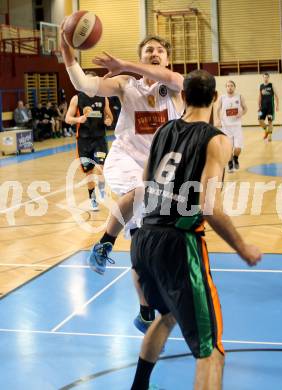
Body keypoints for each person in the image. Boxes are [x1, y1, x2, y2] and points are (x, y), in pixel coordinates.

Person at [130, 70, 262, 390]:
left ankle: (139, 387)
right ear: (215, 98)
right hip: (178, 245)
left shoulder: (162, 131)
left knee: (167, 316)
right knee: (211, 351)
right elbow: (208, 205)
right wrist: (243, 247)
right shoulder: (216, 139)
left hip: (144, 237)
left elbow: (145, 185)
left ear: (183, 98)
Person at [61, 29, 184, 331]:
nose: (154, 53)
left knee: (143, 240)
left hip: (159, 170)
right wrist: (67, 52)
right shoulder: (126, 84)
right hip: (125, 159)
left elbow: (173, 80)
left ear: (167, 58)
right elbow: (84, 83)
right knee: (140, 191)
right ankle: (103, 244)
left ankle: (144, 311)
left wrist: (127, 63)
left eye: (159, 50)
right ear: (141, 55)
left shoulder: (175, 85)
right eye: (148, 50)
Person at [65, 87, 113, 211]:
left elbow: (110, 116)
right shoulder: (77, 98)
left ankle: (102, 187)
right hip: (84, 141)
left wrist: (108, 121)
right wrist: (78, 119)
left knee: (101, 168)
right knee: (89, 172)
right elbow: (67, 118)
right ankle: (92, 198)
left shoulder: (103, 98)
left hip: (99, 139)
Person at [216, 80, 247, 172]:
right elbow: (218, 110)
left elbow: (245, 108)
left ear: (234, 87)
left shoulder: (239, 97)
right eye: (228, 86)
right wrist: (218, 120)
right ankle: (230, 164)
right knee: (228, 147)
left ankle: (235, 158)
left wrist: (242, 113)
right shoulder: (222, 98)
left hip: (237, 126)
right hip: (226, 126)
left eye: (231, 85)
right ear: (226, 87)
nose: (230, 87)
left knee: (238, 147)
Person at [258, 72, 279, 142]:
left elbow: (276, 96)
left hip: (270, 107)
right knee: (260, 120)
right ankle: (266, 130)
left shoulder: (271, 85)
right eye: (264, 77)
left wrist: (277, 105)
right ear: (263, 78)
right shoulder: (261, 86)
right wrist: (259, 105)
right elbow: (260, 96)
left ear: (268, 78)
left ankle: (270, 135)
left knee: (270, 121)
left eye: (267, 77)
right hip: (263, 107)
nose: (266, 78)